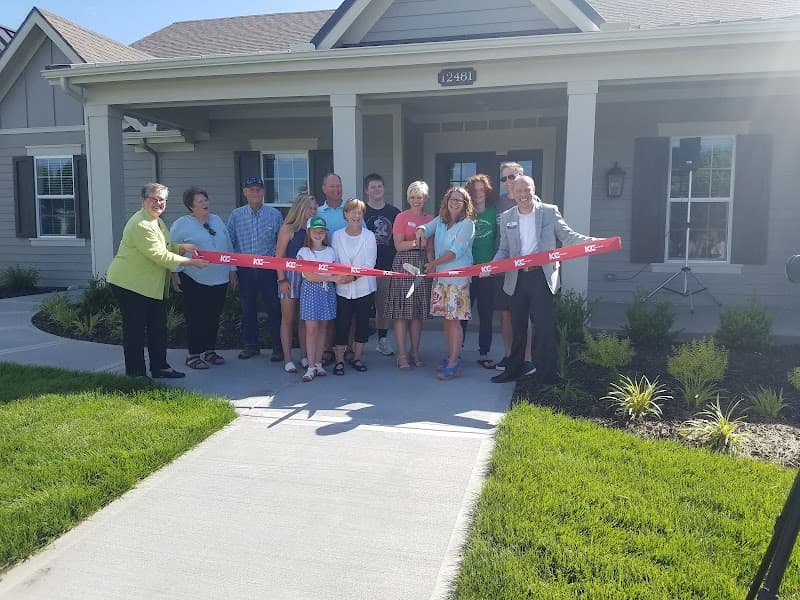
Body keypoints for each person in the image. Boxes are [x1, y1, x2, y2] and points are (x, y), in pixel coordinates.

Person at [490, 175, 596, 385]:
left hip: (541, 276)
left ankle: (547, 376)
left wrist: (593, 243)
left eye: (526, 190)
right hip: (516, 278)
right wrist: (492, 266)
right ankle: (514, 370)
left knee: (545, 328)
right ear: (513, 193)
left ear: (534, 189)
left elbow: (567, 236)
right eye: (519, 191)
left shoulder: (549, 211)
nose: (523, 195)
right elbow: (503, 249)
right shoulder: (507, 216)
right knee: (518, 328)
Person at [107, 183, 209, 379]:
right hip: (129, 284)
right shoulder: (141, 224)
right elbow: (160, 256)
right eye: (154, 199)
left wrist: (182, 247)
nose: (158, 203)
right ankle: (136, 374)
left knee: (158, 328)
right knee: (135, 331)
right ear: (143, 200)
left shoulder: (157, 222)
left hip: (150, 286)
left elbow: (168, 246)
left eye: (162, 200)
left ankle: (160, 367)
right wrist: (192, 262)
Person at [169, 187, 236, 370]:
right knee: (196, 317)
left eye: (206, 200)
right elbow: (173, 250)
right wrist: (175, 273)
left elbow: (228, 246)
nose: (205, 204)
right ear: (191, 206)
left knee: (213, 316)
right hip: (194, 278)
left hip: (219, 277)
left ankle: (210, 350)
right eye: (200, 201)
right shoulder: (181, 224)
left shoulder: (217, 220)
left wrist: (232, 270)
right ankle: (193, 354)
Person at [415, 186, 476, 381]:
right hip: (441, 279)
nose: (455, 202)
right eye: (452, 199)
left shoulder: (468, 224)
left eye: (459, 200)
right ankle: (451, 355)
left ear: (465, 204)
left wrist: (433, 263)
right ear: (446, 202)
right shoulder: (441, 221)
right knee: (446, 320)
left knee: (455, 321)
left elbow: (455, 252)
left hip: (457, 279)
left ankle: (453, 362)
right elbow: (427, 227)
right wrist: (420, 231)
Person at [227, 176, 284, 361]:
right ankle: (251, 345)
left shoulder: (274, 215)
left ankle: (278, 347)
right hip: (245, 270)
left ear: (263, 191)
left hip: (269, 270)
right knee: (247, 308)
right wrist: (232, 269)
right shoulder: (236, 215)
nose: (255, 192)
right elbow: (230, 243)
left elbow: (280, 245)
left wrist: (280, 271)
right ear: (244, 192)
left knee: (274, 308)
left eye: (258, 189)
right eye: (251, 189)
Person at [385, 181, 434, 370]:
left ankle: (415, 351)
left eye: (419, 197)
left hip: (422, 265)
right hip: (403, 265)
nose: (416, 201)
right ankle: (402, 354)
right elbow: (398, 245)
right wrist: (417, 242)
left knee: (417, 314)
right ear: (408, 199)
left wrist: (431, 265)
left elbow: (430, 247)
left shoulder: (431, 219)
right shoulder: (401, 217)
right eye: (412, 197)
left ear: (425, 199)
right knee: (401, 313)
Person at [296, 216, 348, 382]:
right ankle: (310, 366)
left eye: (321, 231)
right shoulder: (303, 252)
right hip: (310, 291)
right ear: (309, 232)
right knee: (311, 328)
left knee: (324, 328)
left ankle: (318, 363)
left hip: (326, 292)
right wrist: (332, 279)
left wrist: (339, 278)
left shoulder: (331, 251)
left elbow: (336, 270)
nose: (318, 234)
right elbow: (309, 275)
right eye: (315, 230)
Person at [331, 198, 377, 375]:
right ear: (345, 214)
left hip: (364, 287)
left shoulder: (369, 236)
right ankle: (340, 361)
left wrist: (354, 277)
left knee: (362, 324)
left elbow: (370, 262)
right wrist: (342, 277)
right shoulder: (337, 236)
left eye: (359, 212)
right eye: (353, 212)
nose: (356, 215)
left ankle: (357, 358)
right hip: (342, 288)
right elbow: (334, 261)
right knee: (342, 324)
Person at [275, 193, 317, 373]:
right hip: (289, 277)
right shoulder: (288, 228)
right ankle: (287, 359)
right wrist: (282, 279)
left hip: (308, 277)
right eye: (310, 208)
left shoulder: (312, 229)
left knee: (304, 319)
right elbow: (278, 257)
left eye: (315, 208)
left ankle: (304, 356)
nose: (313, 211)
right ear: (301, 207)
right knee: (287, 319)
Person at [462, 174, 497, 369]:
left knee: (486, 314)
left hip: (487, 272)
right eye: (474, 191)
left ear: (487, 191)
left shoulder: (494, 213)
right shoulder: (465, 215)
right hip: (467, 271)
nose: (478, 194)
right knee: (463, 313)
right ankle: (456, 350)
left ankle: (484, 353)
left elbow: (500, 241)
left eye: (481, 190)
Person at [494, 161, 526, 371]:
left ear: (520, 177)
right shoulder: (498, 204)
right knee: (505, 313)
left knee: (523, 314)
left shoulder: (531, 201)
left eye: (511, 177)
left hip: (525, 268)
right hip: (503, 267)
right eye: (503, 178)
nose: (507, 182)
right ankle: (508, 355)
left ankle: (526, 357)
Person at [364, 173, 400, 356]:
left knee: (383, 307)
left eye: (379, 186)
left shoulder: (394, 213)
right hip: (364, 268)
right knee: (361, 307)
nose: (377, 190)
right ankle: (357, 343)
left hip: (387, 266)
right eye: (373, 187)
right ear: (366, 190)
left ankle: (382, 341)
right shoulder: (360, 212)